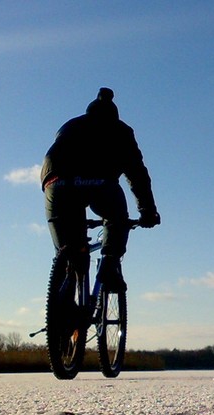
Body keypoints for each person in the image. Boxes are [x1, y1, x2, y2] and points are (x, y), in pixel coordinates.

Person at [41, 87, 160, 291]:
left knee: (66, 250)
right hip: (99, 182)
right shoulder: (121, 131)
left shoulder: (70, 125)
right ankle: (110, 265)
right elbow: (137, 175)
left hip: (55, 183)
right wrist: (147, 211)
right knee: (117, 218)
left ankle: (60, 316)